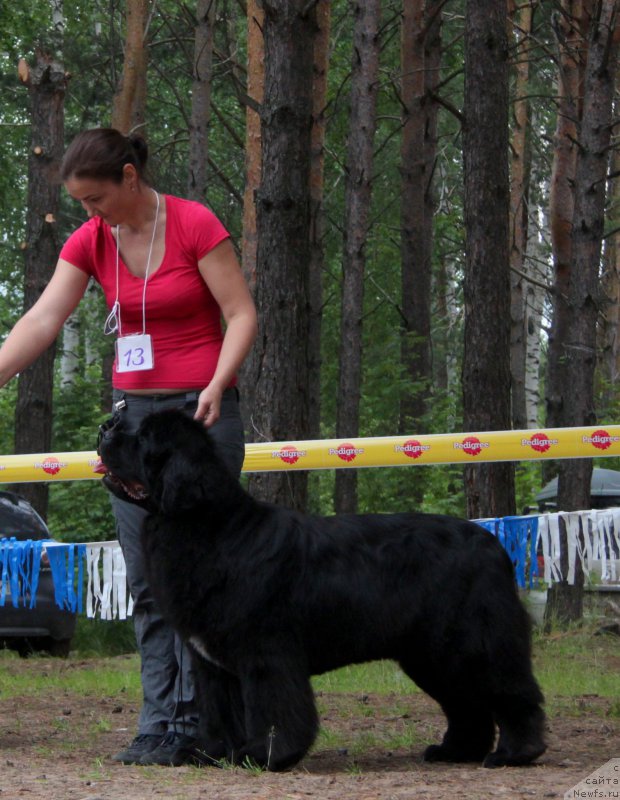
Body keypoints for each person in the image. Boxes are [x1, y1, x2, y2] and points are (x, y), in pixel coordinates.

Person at [0, 128, 257, 766]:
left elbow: (242, 313)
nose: (91, 212)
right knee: (148, 580)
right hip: (134, 428)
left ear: (129, 178)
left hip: (198, 417)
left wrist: (218, 385)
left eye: (96, 198)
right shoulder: (91, 240)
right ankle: (159, 720)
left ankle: (210, 727)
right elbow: (41, 319)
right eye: (82, 203)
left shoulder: (196, 224)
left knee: (206, 583)